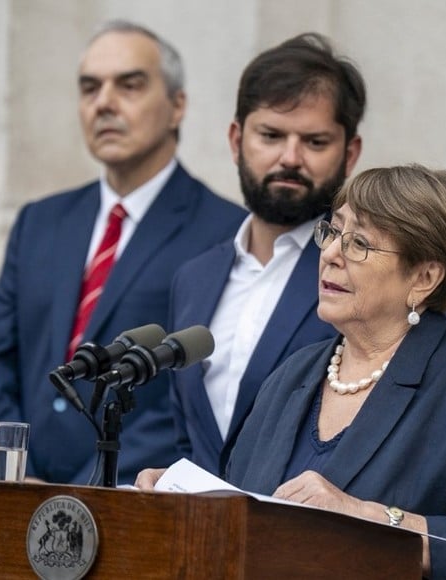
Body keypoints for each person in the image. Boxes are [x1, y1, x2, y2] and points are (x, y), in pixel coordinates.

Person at [139, 165, 446, 579]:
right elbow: (248, 508)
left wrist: (361, 516)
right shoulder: (293, 373)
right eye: (333, 232)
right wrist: (186, 498)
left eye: (359, 244)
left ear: (424, 277)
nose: (331, 254)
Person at [0, 20, 246, 485]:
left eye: (129, 85)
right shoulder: (41, 222)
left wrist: (83, 496)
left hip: (129, 503)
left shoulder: (222, 231)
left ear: (177, 106)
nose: (105, 103)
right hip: (16, 502)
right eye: (90, 88)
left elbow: (195, 397)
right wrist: (18, 482)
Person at [168, 33, 365, 477]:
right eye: (272, 135)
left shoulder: (371, 274)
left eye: (315, 142)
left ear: (350, 153)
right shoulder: (193, 279)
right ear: (237, 139)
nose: (290, 158)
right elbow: (187, 437)